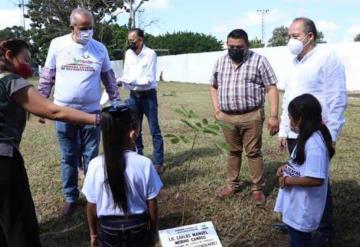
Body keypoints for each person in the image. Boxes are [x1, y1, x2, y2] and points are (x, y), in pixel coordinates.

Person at [0, 39, 100, 247]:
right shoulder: (9, 81)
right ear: (9, 56)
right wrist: (97, 119)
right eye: (25, 60)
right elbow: (53, 110)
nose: (29, 64)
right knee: (19, 223)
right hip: (4, 162)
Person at [38, 8, 120, 216]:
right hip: (63, 112)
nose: (88, 32)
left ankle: (92, 196)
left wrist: (116, 100)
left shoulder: (99, 48)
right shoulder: (58, 45)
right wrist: (40, 103)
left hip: (92, 114)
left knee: (91, 157)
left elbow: (108, 77)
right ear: (71, 28)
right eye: (83, 28)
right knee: (68, 157)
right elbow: (48, 76)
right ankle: (71, 198)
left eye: (91, 28)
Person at [278, 17, 347, 243]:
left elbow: (337, 98)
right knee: (297, 174)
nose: (291, 40)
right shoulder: (295, 61)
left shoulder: (327, 58)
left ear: (310, 37)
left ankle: (322, 229)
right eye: (289, 35)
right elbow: (287, 96)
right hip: (294, 132)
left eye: (295, 36)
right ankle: (295, 219)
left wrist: (332, 135)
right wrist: (283, 129)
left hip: (315, 132)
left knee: (317, 179)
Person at [210, 29, 280, 205]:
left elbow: (271, 87)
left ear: (247, 45)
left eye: (239, 47)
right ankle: (232, 184)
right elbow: (213, 86)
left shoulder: (259, 61)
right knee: (233, 151)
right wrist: (217, 108)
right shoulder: (220, 62)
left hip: (252, 116)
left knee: (253, 152)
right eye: (230, 46)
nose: (234, 49)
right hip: (227, 117)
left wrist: (273, 116)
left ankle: (257, 188)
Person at [82, 102, 163, 247]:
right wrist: (153, 231)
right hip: (138, 226)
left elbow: (91, 205)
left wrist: (93, 234)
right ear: (133, 134)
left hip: (108, 229)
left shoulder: (94, 164)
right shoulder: (145, 163)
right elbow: (152, 203)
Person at [274, 93, 335, 247]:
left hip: (303, 209)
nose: (289, 121)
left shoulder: (315, 144)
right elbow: (299, 162)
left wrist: (287, 180)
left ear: (299, 119)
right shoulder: (306, 136)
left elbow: (316, 179)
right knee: (294, 240)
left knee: (300, 242)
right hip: (296, 205)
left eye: (290, 117)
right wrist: (286, 167)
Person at [118, 28, 164, 174]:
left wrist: (130, 80)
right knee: (134, 129)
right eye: (129, 41)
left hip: (148, 96)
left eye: (133, 40)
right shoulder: (128, 54)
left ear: (141, 40)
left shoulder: (150, 54)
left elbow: (149, 79)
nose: (130, 43)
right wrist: (121, 81)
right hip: (133, 96)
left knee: (154, 129)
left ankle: (158, 162)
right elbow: (126, 74)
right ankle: (138, 157)